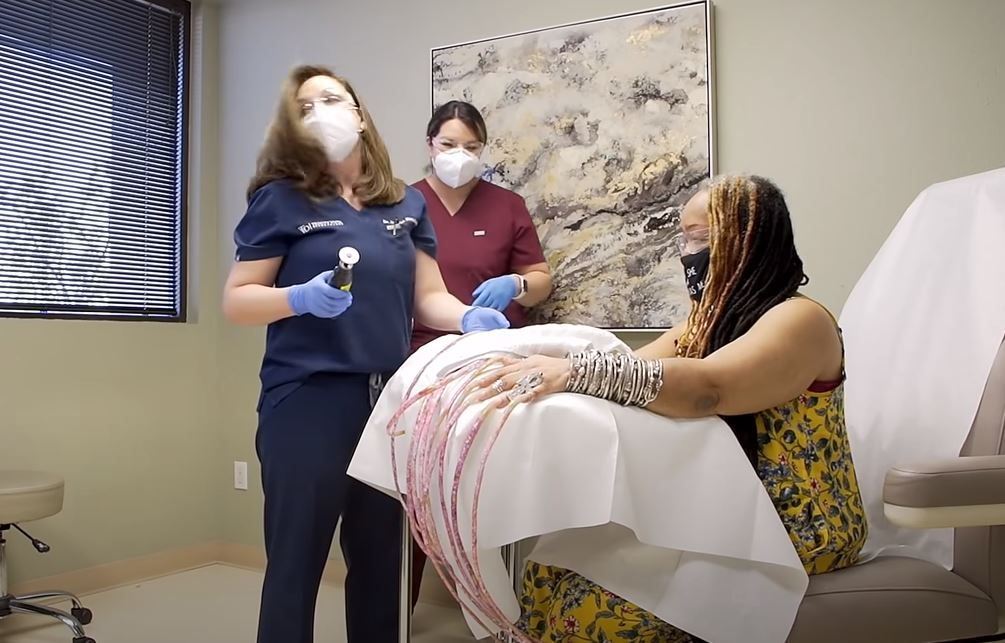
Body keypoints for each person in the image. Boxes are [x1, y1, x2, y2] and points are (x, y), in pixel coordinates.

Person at [479, 175, 868, 642]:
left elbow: (709, 389)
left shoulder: (800, 318)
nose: (690, 252)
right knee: (549, 571)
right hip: (724, 505)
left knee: (587, 612)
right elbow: (631, 368)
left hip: (797, 523)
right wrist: (538, 367)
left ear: (749, 239)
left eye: (702, 238)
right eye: (685, 239)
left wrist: (577, 372)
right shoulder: (707, 320)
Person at [222, 65, 509, 643]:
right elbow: (238, 299)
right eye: (304, 108)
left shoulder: (404, 202)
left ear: (359, 115)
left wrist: (466, 318)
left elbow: (428, 297)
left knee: (383, 565)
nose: (319, 113)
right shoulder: (281, 200)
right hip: (308, 401)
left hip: (390, 403)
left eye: (331, 99)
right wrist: (298, 298)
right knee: (296, 564)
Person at [409, 100, 552, 605]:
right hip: (422, 357)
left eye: (471, 147)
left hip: (493, 357)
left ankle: (495, 603)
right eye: (449, 145)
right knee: (418, 480)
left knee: (487, 480)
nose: (459, 156)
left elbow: (540, 279)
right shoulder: (404, 205)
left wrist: (516, 284)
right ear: (430, 145)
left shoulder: (506, 206)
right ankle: (403, 598)